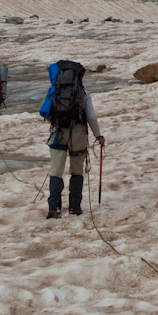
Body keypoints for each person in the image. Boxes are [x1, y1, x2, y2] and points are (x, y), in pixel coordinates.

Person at [38, 60, 103, 218]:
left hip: (58, 133)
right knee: (76, 171)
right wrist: (98, 136)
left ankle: (54, 209)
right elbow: (91, 117)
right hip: (78, 133)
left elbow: (46, 112)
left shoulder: (55, 89)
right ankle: (75, 207)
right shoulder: (83, 92)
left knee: (56, 171)